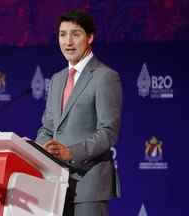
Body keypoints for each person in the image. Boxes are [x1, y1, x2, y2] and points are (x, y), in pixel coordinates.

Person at [35, 10, 122, 216]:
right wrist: (39, 149)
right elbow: (47, 128)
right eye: (62, 34)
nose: (68, 41)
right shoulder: (57, 79)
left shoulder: (105, 77)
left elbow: (108, 132)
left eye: (75, 34)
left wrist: (70, 152)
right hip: (55, 185)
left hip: (89, 186)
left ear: (90, 37)